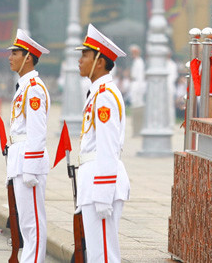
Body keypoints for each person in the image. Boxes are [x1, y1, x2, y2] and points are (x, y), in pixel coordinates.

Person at [76, 24, 130, 263]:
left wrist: (103, 192)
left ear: (99, 61)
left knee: (104, 255)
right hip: (93, 178)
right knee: (97, 253)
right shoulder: (98, 93)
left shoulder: (105, 95)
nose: (80, 60)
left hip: (101, 180)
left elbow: (108, 146)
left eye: (85, 55)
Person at [7, 29, 51, 263]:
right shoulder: (24, 86)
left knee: (33, 223)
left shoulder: (34, 88)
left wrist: (31, 169)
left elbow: (37, 131)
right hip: (20, 159)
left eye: (15, 53)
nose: (10, 57)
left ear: (28, 58)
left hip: (28, 162)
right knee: (25, 222)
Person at [127, 44, 147, 137]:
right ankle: (136, 130)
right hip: (134, 85)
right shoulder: (136, 62)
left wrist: (139, 89)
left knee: (138, 106)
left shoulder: (139, 62)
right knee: (134, 106)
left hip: (138, 86)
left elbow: (140, 77)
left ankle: (138, 130)